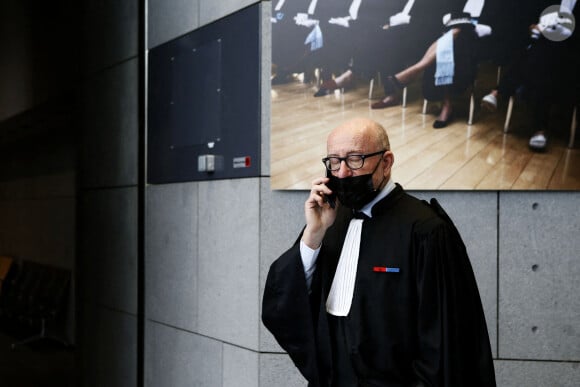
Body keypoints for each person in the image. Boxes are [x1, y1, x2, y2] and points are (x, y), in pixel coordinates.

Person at [262, 117, 496, 386]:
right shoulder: (329, 221)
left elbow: (444, 344)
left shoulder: (426, 230)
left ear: (386, 163)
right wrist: (313, 235)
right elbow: (284, 305)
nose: (342, 173)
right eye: (334, 162)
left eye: (355, 159)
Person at [370, 0, 495, 129]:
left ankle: (417, 70)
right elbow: (450, 17)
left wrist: (469, 27)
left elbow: (497, 25)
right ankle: (446, 103)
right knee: (451, 37)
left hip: (480, 40)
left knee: (456, 35)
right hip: (453, 35)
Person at [480, 0, 579, 152]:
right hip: (545, 53)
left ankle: (498, 92)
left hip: (571, 58)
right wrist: (535, 27)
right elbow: (532, 19)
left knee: (537, 56)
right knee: (540, 60)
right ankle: (539, 130)